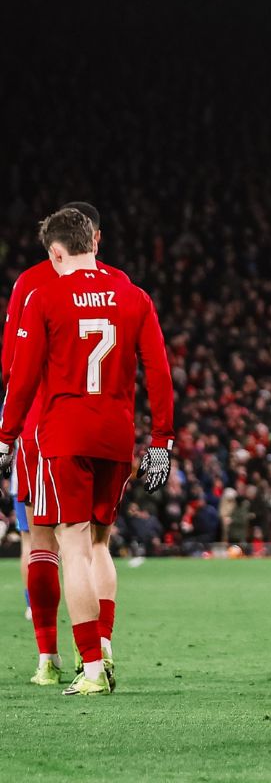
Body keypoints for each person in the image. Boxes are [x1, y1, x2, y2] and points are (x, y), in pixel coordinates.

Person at [0, 207, 174, 696]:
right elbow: (159, 372)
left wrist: (6, 436)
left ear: (56, 252)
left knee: (70, 544)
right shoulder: (133, 294)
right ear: (94, 242)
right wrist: (161, 441)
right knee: (100, 542)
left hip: (64, 436)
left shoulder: (44, 294)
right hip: (116, 437)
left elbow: (22, 375)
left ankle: (93, 667)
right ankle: (105, 644)